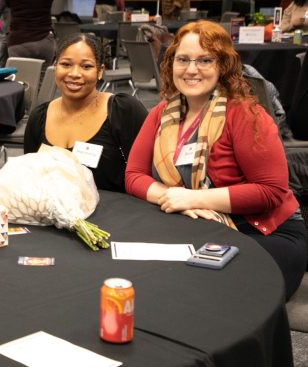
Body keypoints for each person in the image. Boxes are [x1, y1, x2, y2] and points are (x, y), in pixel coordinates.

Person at [125, 21, 306, 300]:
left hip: (262, 234)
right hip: (198, 225)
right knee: (147, 280)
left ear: (223, 65)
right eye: (183, 59)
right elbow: (134, 175)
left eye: (205, 60)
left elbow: (270, 191)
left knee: (204, 294)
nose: (192, 69)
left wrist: (192, 198)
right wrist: (172, 197)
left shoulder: (246, 115)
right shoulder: (162, 114)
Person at [24, 34, 147, 193]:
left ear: (100, 71)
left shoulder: (122, 110)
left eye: (86, 66)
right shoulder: (39, 117)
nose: (74, 73)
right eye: (66, 64)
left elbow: (147, 173)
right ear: (56, 66)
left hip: (114, 214)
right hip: (52, 214)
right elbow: (29, 177)